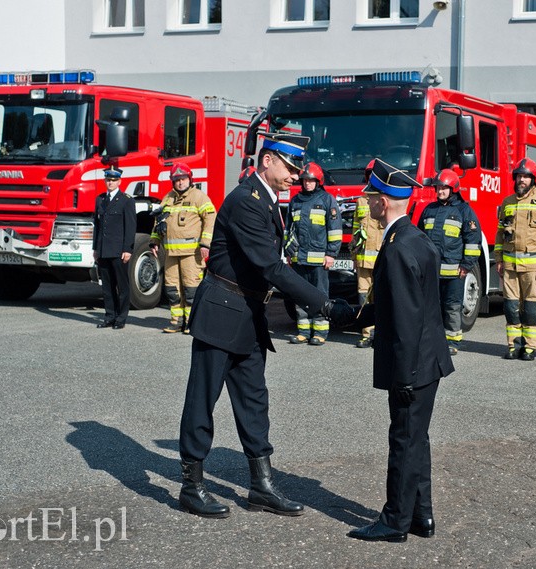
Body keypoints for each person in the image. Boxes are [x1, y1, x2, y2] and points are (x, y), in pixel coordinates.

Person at [177, 133, 353, 519]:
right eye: (290, 168)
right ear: (268, 160)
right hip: (224, 309)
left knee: (254, 400)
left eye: (298, 169)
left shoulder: (268, 202)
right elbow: (271, 267)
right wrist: (322, 303)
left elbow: (272, 268)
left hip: (248, 313)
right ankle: (191, 486)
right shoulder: (246, 201)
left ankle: (261, 486)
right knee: (202, 400)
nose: (296, 175)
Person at [348, 159, 455, 543]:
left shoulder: (395, 248)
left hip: (413, 364)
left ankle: (395, 521)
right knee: (417, 438)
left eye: (372, 197)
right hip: (429, 360)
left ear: (385, 202)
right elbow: (403, 305)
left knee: (404, 440)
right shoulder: (415, 238)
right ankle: (420, 516)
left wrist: (404, 375)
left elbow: (406, 319)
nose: (368, 203)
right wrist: (352, 316)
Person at [493, 158, 536, 361]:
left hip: (533, 268)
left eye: (526, 176)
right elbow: (499, 234)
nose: (521, 180)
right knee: (511, 308)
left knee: (531, 309)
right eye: (519, 176)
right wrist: (498, 259)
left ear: (534, 179)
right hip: (510, 267)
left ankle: (530, 348)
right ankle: (513, 346)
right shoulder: (507, 202)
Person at [417, 168, 482, 356]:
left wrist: (466, 265)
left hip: (455, 271)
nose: (440, 192)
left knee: (452, 306)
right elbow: (420, 237)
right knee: (431, 306)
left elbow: (472, 240)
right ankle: (432, 340)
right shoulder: (429, 210)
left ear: (453, 188)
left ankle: (452, 341)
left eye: (444, 188)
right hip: (432, 271)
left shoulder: (464, 211)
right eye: (438, 188)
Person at [149, 163, 216, 333]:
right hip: (171, 253)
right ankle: (176, 321)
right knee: (172, 288)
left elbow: (210, 219)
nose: (180, 182)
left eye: (183, 179)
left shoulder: (199, 197)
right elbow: (159, 221)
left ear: (190, 179)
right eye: (176, 180)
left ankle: (191, 322)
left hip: (192, 254)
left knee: (191, 288)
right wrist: (154, 241)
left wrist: (205, 244)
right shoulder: (168, 198)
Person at [284, 162, 342, 346]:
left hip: (319, 261)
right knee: (300, 295)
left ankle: (320, 332)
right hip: (298, 259)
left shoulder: (327, 200)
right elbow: (288, 229)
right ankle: (303, 331)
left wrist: (331, 254)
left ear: (319, 181)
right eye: (305, 180)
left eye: (311, 180)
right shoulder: (296, 201)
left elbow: (334, 230)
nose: (307, 183)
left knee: (319, 295)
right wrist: (287, 251)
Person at [93, 165, 136, 329]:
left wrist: (128, 249)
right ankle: (109, 316)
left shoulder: (126, 200)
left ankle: (121, 318)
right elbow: (97, 226)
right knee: (107, 287)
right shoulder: (100, 199)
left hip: (119, 251)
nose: (110, 183)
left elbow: (130, 227)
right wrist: (96, 248)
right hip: (104, 250)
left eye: (113, 180)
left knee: (122, 286)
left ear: (119, 181)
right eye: (108, 180)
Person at [349, 159, 383, 348]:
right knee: (363, 295)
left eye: (374, 174)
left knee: (380, 296)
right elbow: (356, 229)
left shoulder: (385, 199)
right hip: (362, 259)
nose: (371, 177)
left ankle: (380, 332)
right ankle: (366, 333)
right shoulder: (361, 200)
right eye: (369, 174)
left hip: (380, 258)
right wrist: (353, 255)